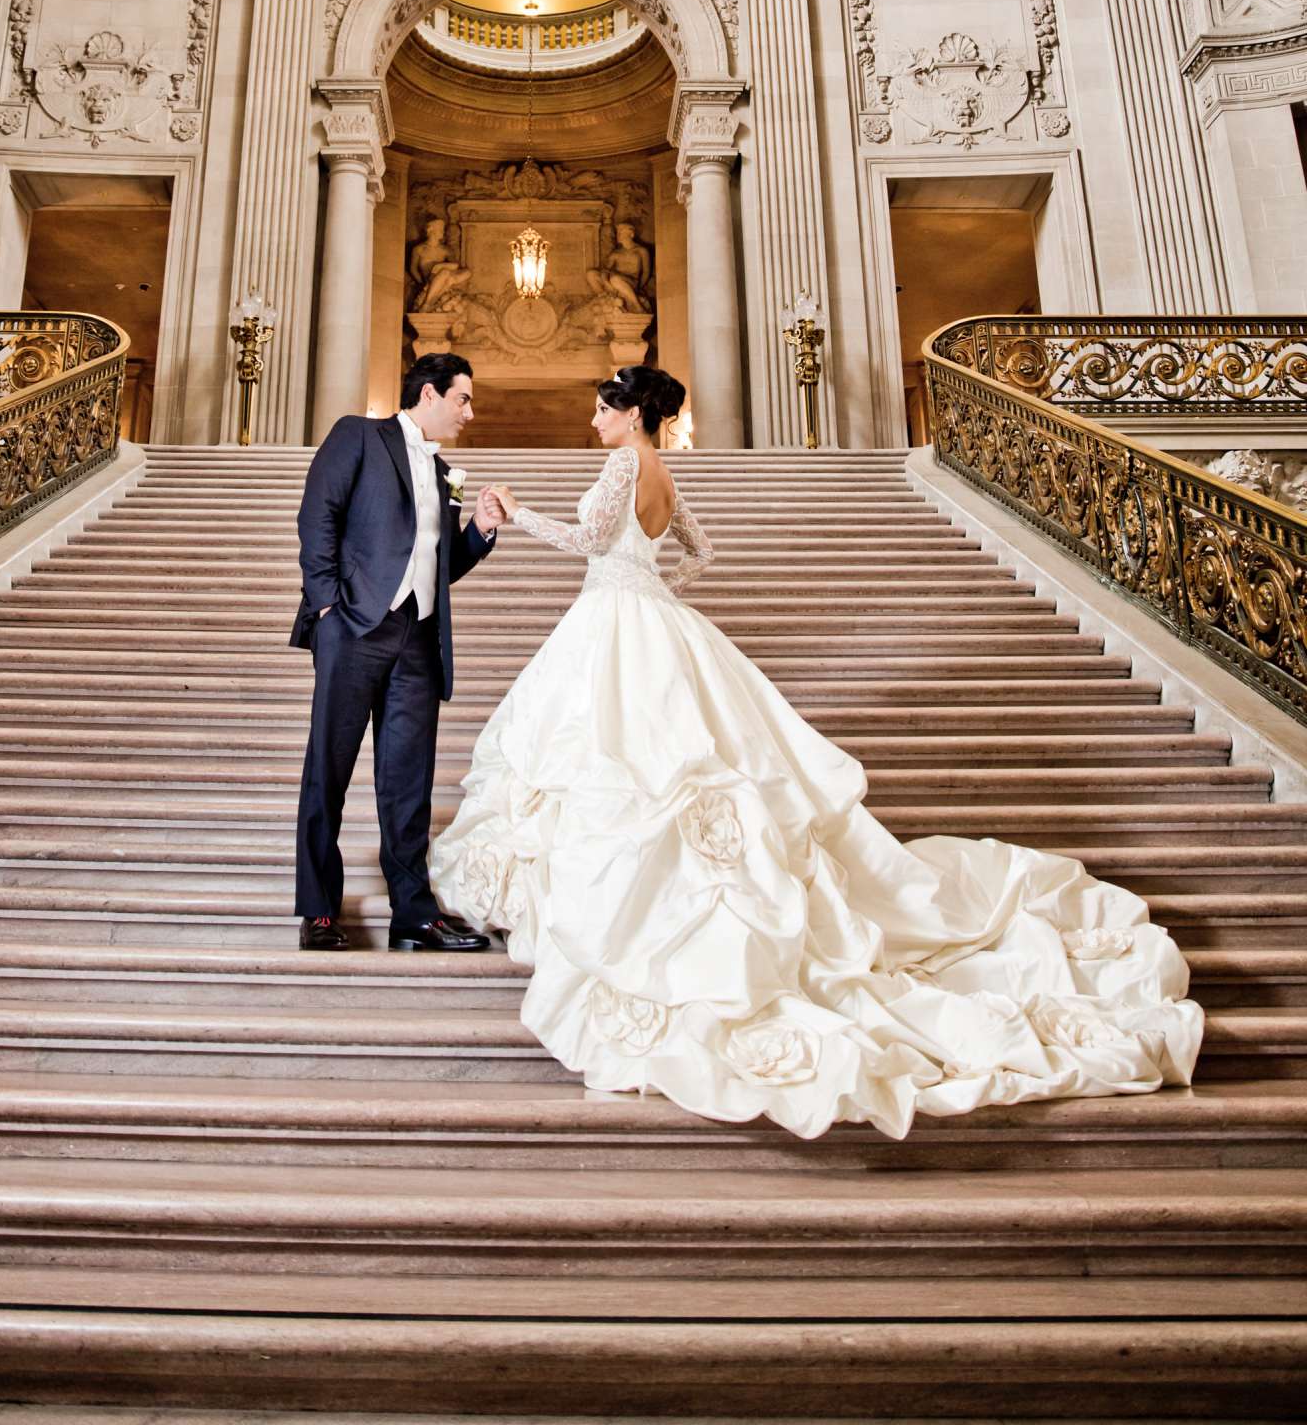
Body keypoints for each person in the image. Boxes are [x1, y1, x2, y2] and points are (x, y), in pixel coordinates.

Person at [429, 363, 1202, 1140]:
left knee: (618, 770)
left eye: (602, 409)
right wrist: (656, 592)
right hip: (652, 619)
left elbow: (591, 539)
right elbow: (700, 549)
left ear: (632, 417)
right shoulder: (663, 468)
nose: (594, 421)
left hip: (613, 621)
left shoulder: (624, 461)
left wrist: (518, 510)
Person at [293, 352, 503, 954]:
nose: (470, 411)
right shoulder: (359, 435)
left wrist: (480, 531)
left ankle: (413, 914)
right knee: (327, 772)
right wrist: (328, 604)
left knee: (408, 780)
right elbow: (318, 516)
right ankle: (319, 911)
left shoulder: (447, 474)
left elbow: (444, 567)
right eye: (463, 398)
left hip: (419, 637)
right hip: (353, 626)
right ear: (430, 394)